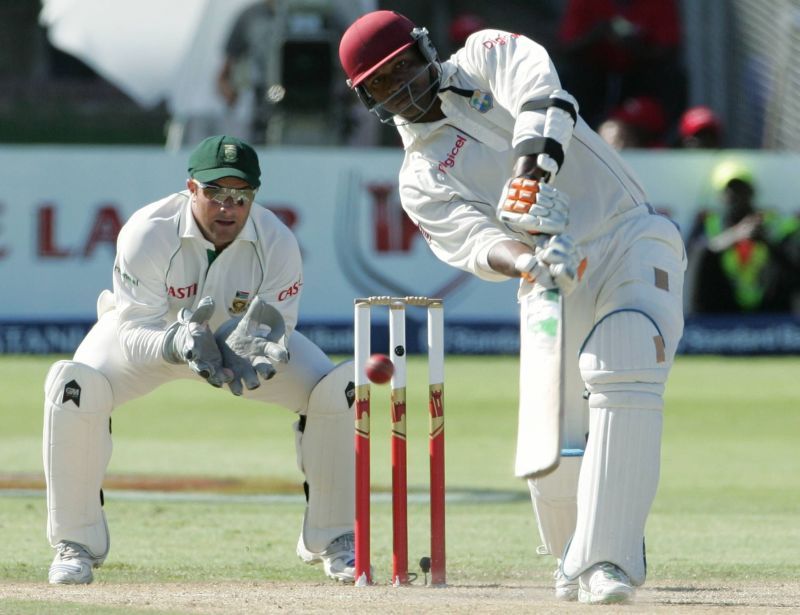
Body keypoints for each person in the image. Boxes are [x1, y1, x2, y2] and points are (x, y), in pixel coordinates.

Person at [338, 11, 686, 605]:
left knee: (623, 356)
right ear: (368, 96)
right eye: (383, 83)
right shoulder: (419, 176)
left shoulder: (485, 53)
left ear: (424, 50)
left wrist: (530, 175)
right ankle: (572, 554)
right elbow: (474, 241)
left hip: (626, 232)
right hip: (549, 272)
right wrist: (523, 260)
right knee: (553, 447)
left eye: (404, 69)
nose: (402, 87)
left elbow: (548, 99)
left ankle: (608, 561)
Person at [44, 135, 357, 585]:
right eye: (215, 193)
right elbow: (132, 332)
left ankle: (336, 539)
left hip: (234, 351)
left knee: (335, 391)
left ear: (254, 196)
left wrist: (254, 353)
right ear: (191, 189)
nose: (227, 207)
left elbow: (277, 329)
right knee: (73, 387)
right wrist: (179, 343)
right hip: (156, 340)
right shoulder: (147, 231)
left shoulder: (278, 243)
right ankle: (74, 545)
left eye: (240, 196)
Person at [686, 159, 800, 313]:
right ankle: (704, 323)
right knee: (703, 255)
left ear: (751, 192)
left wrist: (765, 240)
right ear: (720, 196)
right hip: (723, 303)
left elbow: (790, 259)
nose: (735, 197)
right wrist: (734, 236)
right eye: (729, 192)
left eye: (741, 190)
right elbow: (690, 256)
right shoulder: (710, 223)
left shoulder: (772, 220)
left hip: (770, 302)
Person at [556, 0, 686, 130]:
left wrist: (637, 46)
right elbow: (567, 47)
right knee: (573, 74)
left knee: (670, 75)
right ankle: (575, 132)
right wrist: (598, 34)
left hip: (640, 69)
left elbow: (670, 48)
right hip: (596, 70)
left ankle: (666, 138)